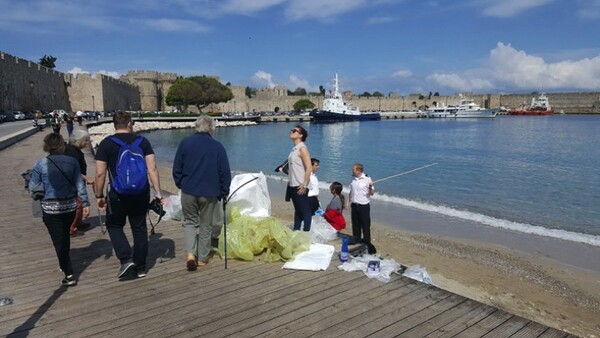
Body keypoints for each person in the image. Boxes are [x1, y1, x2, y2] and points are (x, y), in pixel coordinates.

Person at [94, 111, 163, 279]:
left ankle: (126, 259)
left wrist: (99, 195)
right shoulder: (143, 142)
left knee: (114, 225)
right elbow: (152, 168)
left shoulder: (106, 144)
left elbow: (100, 174)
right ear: (130, 124)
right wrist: (158, 192)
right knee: (139, 228)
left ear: (114, 124)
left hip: (118, 193)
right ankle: (140, 268)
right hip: (141, 192)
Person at [28, 133, 90, 286]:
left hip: (50, 209)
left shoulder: (40, 164)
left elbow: (32, 188)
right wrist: (86, 203)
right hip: (69, 207)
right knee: (64, 237)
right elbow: (80, 185)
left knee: (58, 240)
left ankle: (68, 273)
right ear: (62, 145)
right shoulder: (72, 162)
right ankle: (64, 262)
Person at [172, 116, 231, 271]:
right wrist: (224, 191)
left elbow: (177, 167)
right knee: (206, 225)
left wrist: (181, 184)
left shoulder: (185, 143)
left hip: (188, 190)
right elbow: (224, 172)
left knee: (190, 223)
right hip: (210, 192)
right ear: (211, 129)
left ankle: (191, 254)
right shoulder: (217, 147)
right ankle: (203, 257)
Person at [64, 129, 94, 236]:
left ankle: (79, 222)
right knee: (77, 204)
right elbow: (71, 170)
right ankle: (72, 227)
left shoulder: (74, 150)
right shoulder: (72, 152)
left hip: (78, 180)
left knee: (78, 202)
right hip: (74, 182)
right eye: (85, 141)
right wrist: (86, 177)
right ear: (79, 140)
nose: (87, 143)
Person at [286, 125, 312, 231]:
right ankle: (296, 232)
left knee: (305, 211)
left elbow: (309, 167)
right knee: (298, 210)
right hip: (292, 184)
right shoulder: (294, 149)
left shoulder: (302, 148)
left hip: (300, 185)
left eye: (295, 131)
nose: (292, 132)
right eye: (292, 130)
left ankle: (306, 234)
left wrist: (304, 184)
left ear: (300, 135)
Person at [348, 163, 376, 253]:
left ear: (359, 171)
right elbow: (351, 191)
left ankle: (367, 243)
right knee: (355, 225)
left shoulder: (367, 179)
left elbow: (372, 193)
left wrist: (371, 186)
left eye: (354, 170)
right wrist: (348, 202)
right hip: (354, 205)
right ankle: (357, 241)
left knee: (365, 225)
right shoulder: (353, 178)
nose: (352, 171)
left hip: (363, 206)